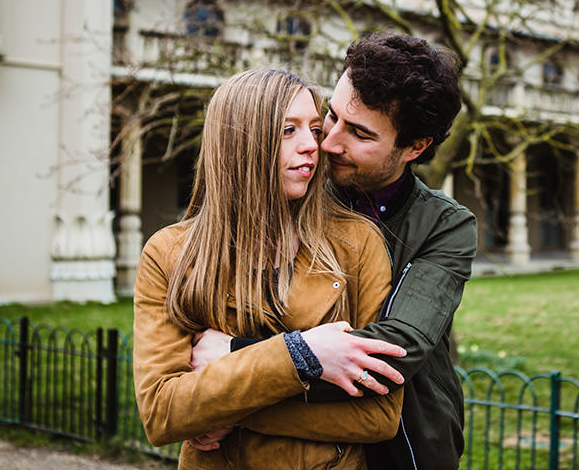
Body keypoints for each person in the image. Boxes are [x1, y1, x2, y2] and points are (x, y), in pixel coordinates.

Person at [192, 34, 478, 470]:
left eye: (359, 133)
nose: (327, 143)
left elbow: (392, 351)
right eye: (332, 115)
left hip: (404, 447)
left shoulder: (446, 226)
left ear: (415, 147)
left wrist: (235, 363)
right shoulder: (295, 189)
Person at [133, 68, 405, 469]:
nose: (312, 145)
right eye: (288, 130)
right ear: (240, 143)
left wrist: (226, 406)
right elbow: (162, 412)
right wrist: (302, 354)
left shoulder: (357, 243)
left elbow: (379, 416)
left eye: (314, 129)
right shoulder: (172, 254)